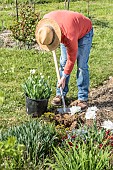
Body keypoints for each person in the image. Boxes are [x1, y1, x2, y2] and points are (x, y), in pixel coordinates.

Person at [35, 10, 94, 110]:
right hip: (68, 28)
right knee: (63, 63)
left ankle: (82, 98)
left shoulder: (69, 36)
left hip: (84, 32)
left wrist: (64, 76)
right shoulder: (46, 25)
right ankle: (60, 94)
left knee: (82, 66)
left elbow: (71, 59)